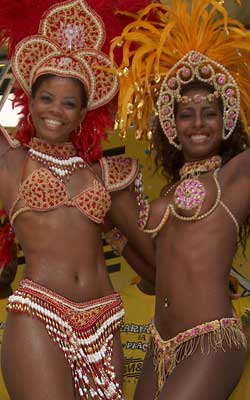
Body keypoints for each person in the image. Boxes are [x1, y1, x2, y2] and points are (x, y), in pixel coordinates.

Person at [0, 1, 155, 399]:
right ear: (29, 102)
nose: (56, 111)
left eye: (69, 103)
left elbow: (153, 257)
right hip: (40, 313)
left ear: (84, 112)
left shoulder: (104, 175)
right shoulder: (10, 161)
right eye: (46, 98)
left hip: (105, 320)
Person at [111, 0, 250, 398]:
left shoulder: (235, 175)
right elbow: (157, 272)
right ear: (172, 125)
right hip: (160, 345)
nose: (198, 124)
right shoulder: (167, 193)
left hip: (210, 341)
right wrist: (115, 230)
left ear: (226, 121)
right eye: (187, 114)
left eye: (209, 113)